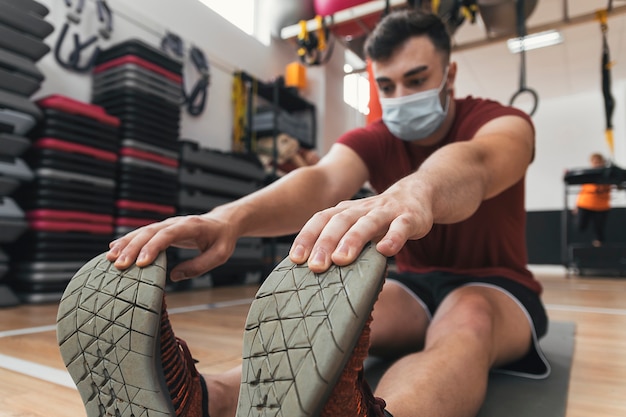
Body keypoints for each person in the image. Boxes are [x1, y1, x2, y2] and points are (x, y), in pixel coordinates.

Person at [57, 9, 550, 417]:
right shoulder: (377, 137)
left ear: (450, 74)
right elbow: (320, 179)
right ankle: (204, 399)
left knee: (468, 321)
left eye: (416, 79)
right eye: (388, 85)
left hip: (495, 285)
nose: (400, 97)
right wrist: (230, 218)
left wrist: (419, 189)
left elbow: (479, 164)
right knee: (329, 318)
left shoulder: (500, 121)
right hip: (416, 285)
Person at [573, 153, 611, 247]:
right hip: (586, 204)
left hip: (601, 206)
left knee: (599, 229)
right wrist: (577, 206)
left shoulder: (608, 174)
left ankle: (598, 248)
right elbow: (582, 191)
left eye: (599, 162)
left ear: (602, 162)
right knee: (580, 225)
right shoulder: (587, 174)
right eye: (594, 162)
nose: (596, 164)